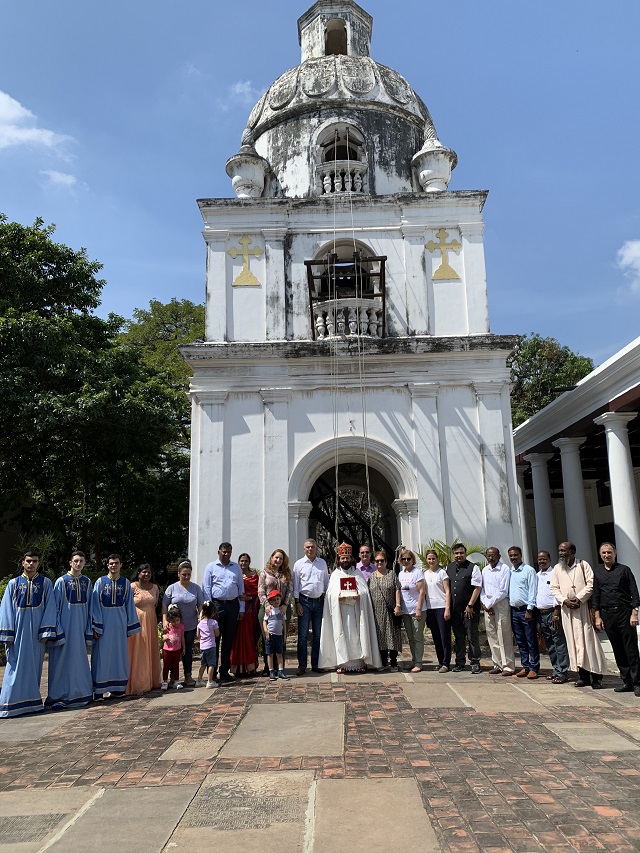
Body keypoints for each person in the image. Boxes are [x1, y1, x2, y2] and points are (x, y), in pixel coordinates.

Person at [0, 552, 57, 717]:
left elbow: (50, 607)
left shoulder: (45, 583)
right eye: (29, 561)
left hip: (36, 633)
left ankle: (31, 703)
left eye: (35, 561)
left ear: (39, 563)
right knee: (14, 665)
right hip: (17, 632)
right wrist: (8, 633)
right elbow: (6, 609)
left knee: (34, 667)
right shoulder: (13, 583)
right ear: (23, 563)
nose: (31, 564)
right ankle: (9, 704)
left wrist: (46, 630)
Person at [550, 541, 606, 689]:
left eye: (564, 550)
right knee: (573, 643)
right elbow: (554, 588)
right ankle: (583, 676)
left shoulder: (583, 565)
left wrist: (579, 598)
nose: (561, 553)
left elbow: (591, 584)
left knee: (588, 642)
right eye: (560, 550)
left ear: (572, 552)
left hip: (583, 609)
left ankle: (596, 676)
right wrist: (565, 601)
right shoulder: (557, 568)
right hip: (567, 611)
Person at [318, 542, 381, 674]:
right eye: (343, 558)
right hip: (340, 611)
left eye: (347, 558)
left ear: (351, 559)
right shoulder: (335, 575)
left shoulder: (357, 573)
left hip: (356, 611)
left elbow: (365, 591)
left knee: (357, 635)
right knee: (341, 634)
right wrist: (337, 597)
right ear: (339, 560)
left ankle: (359, 664)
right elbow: (329, 594)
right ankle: (342, 663)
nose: (345, 560)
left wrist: (360, 596)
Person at [46, 550, 94, 709]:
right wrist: (56, 629)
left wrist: (89, 628)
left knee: (79, 661)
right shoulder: (61, 581)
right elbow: (56, 607)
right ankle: (58, 696)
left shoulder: (87, 582)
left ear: (84, 563)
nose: (78, 563)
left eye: (81, 560)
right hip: (65, 629)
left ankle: (81, 693)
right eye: (76, 560)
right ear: (70, 562)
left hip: (80, 628)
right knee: (61, 662)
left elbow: (90, 607)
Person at [593, 542, 640, 696]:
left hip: (625, 614)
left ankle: (637, 682)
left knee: (631, 649)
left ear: (615, 553)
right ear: (600, 555)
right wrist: (598, 617)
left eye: (609, 552)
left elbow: (634, 593)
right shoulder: (598, 572)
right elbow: (596, 597)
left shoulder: (624, 570)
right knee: (618, 649)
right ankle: (626, 681)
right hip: (608, 615)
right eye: (604, 553)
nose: (606, 555)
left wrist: (634, 613)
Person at [91, 554, 141, 698]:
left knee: (119, 655)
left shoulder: (125, 583)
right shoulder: (100, 582)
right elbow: (95, 605)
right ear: (107, 565)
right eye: (111, 563)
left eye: (116, 563)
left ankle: (117, 688)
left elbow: (129, 605)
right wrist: (97, 625)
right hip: (104, 625)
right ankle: (99, 690)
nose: (114, 565)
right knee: (101, 656)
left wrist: (130, 625)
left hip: (119, 624)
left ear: (121, 565)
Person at [202, 543, 245, 683]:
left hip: (232, 605)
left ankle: (224, 670)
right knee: (214, 640)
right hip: (217, 605)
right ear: (219, 551)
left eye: (229, 552)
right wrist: (209, 609)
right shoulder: (211, 567)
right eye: (224, 552)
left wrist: (241, 608)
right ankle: (212, 672)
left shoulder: (236, 567)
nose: (226, 554)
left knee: (228, 639)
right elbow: (207, 587)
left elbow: (241, 588)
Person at [162, 560, 204, 687]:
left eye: (188, 574)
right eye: (184, 574)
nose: (186, 577)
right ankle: (173, 677)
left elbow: (200, 605)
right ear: (179, 574)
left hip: (190, 626)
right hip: (174, 627)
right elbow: (164, 604)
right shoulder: (172, 588)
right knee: (172, 652)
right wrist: (164, 621)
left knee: (187, 651)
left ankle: (188, 675)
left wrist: (201, 619)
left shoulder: (196, 588)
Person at [293, 539, 329, 675]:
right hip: (304, 601)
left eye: (312, 547)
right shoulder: (298, 564)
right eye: (307, 547)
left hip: (319, 602)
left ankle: (316, 663)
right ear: (304, 549)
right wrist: (297, 603)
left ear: (316, 548)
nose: (310, 549)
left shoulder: (322, 563)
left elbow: (326, 583)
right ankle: (302, 665)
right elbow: (296, 585)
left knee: (318, 634)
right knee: (302, 635)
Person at [126, 563, 161, 695]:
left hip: (151, 621)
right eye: (144, 572)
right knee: (138, 651)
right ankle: (138, 682)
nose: (146, 575)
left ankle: (150, 681)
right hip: (137, 621)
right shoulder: (132, 586)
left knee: (149, 649)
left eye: (149, 573)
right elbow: (127, 605)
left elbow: (155, 604)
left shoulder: (155, 588)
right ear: (138, 573)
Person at [446, 544, 482, 673]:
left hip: (470, 609)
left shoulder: (473, 567)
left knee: (472, 636)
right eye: (456, 553)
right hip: (455, 610)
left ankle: (475, 662)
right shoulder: (449, 568)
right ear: (453, 554)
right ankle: (460, 662)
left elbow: (477, 588)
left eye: (461, 553)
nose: (459, 555)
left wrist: (470, 605)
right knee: (459, 637)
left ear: (465, 554)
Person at [536, 550, 569, 684]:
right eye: (539, 559)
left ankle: (563, 672)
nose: (542, 561)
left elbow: (558, 593)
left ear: (549, 559)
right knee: (549, 644)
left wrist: (556, 613)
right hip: (541, 614)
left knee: (558, 642)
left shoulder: (555, 574)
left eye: (544, 559)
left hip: (552, 613)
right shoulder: (537, 575)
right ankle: (556, 670)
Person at [480, 547, 515, 676]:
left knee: (503, 634)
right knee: (492, 634)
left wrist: (489, 604)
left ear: (499, 556)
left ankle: (508, 666)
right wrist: (485, 603)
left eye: (494, 555)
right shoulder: (485, 570)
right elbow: (482, 589)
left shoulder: (505, 569)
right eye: (489, 555)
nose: (491, 558)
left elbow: (503, 590)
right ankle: (497, 664)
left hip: (501, 603)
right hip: (488, 605)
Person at [508, 546, 539, 679]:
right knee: (520, 640)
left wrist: (529, 609)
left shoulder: (528, 570)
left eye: (515, 555)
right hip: (514, 611)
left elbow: (533, 590)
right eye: (511, 556)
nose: (513, 558)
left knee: (531, 640)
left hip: (526, 610)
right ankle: (525, 666)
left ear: (521, 555)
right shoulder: (510, 571)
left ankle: (534, 667)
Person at [258, 549, 291, 676]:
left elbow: (289, 590)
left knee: (281, 637)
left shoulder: (286, 573)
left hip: (282, 608)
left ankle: (280, 668)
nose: (278, 560)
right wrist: (266, 605)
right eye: (276, 557)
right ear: (272, 558)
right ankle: (269, 668)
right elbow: (261, 590)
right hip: (267, 608)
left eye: (281, 558)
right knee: (268, 637)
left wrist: (284, 605)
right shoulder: (265, 573)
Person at [368, 550, 402, 671]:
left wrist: (398, 605)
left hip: (390, 611)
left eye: (382, 560)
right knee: (380, 636)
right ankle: (383, 661)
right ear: (374, 562)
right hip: (376, 612)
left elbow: (397, 589)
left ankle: (393, 662)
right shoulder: (371, 577)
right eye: (377, 561)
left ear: (386, 561)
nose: (379, 563)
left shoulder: (391, 574)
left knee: (392, 636)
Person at [230, 553, 260, 676]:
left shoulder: (254, 576)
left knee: (248, 637)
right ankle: (237, 667)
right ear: (238, 562)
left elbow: (258, 592)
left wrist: (249, 598)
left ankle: (250, 667)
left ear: (249, 562)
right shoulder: (234, 575)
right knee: (236, 639)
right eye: (241, 561)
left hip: (249, 611)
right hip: (235, 609)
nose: (243, 563)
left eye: (246, 561)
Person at [398, 548, 428, 673]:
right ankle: (414, 659)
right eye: (404, 559)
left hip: (417, 609)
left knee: (417, 637)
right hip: (406, 610)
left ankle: (419, 662)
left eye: (408, 559)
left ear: (412, 560)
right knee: (410, 637)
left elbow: (422, 592)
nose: (406, 561)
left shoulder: (417, 573)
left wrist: (419, 609)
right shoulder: (401, 573)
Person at [422, 549, 452, 672]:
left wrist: (447, 608)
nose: (431, 560)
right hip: (430, 608)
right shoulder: (424, 574)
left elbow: (447, 591)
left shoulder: (442, 573)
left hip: (441, 607)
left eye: (433, 558)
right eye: (429, 558)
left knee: (444, 636)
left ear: (437, 559)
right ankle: (440, 662)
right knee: (436, 637)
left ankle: (446, 663)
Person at [263, 589, 289, 680]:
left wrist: (285, 635)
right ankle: (271, 671)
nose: (276, 601)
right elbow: (264, 621)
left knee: (279, 653)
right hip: (270, 635)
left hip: (279, 635)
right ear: (270, 601)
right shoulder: (269, 610)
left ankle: (281, 671)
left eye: (278, 599)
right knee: (270, 654)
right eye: (274, 600)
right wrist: (266, 631)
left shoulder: (281, 611)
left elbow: (284, 624)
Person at [196, 601, 220, 688]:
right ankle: (210, 681)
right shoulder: (214, 622)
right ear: (213, 612)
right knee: (211, 664)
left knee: (203, 664)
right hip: (211, 646)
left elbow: (198, 636)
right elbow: (217, 634)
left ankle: (199, 680)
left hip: (202, 646)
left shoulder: (200, 624)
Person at [162, 604, 185, 690]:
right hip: (167, 650)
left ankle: (176, 681)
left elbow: (182, 638)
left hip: (177, 649)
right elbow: (163, 635)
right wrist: (164, 637)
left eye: (177, 620)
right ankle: (165, 681)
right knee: (166, 666)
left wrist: (184, 647)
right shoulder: (167, 626)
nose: (176, 622)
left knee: (176, 666)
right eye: (173, 621)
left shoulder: (181, 627)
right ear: (169, 620)